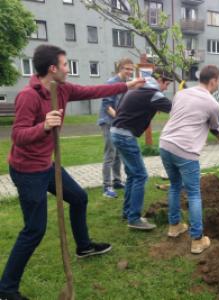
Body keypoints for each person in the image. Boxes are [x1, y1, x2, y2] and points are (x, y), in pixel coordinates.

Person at [0, 44, 145, 300]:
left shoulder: (63, 89)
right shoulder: (29, 96)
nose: (69, 69)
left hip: (47, 165)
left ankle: (84, 247)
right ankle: (6, 289)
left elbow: (93, 90)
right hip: (27, 170)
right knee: (34, 230)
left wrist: (127, 86)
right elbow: (18, 136)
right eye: (66, 65)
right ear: (53, 68)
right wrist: (44, 126)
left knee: (79, 198)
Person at [159, 65, 219, 254]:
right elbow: (217, 128)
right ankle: (198, 239)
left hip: (165, 144)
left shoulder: (181, 94)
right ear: (213, 80)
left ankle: (174, 227)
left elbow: (178, 116)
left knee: (175, 185)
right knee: (193, 193)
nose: (218, 84)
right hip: (185, 150)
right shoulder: (212, 104)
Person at [111, 68, 173, 230]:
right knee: (140, 175)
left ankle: (128, 212)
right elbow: (175, 108)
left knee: (132, 175)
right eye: (166, 84)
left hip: (117, 132)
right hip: (125, 136)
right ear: (159, 80)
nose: (166, 88)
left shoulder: (140, 88)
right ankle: (134, 218)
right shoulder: (152, 93)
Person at [98, 58, 134, 198]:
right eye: (127, 69)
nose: (129, 72)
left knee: (118, 152)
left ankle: (117, 181)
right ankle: (107, 187)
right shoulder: (111, 83)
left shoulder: (126, 84)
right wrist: (119, 119)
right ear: (120, 69)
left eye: (131, 69)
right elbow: (107, 106)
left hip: (117, 122)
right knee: (110, 153)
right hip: (108, 121)